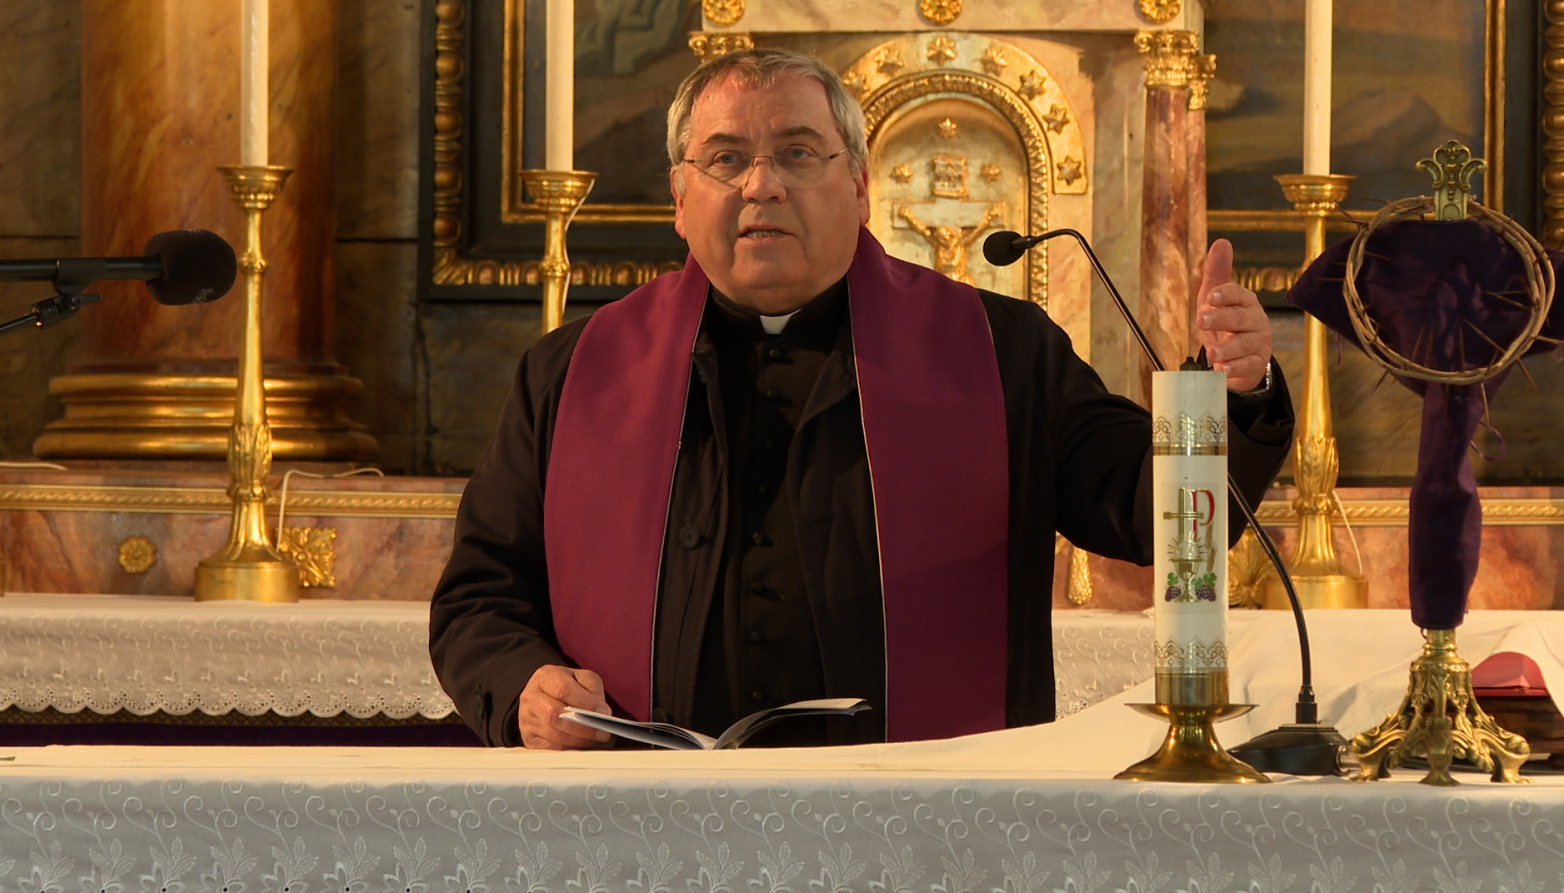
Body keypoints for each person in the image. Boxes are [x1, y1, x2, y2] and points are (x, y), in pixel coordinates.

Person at [430, 48, 1294, 750]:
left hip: (920, 822)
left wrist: (1235, 394)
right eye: (726, 158)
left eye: (798, 153)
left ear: (859, 185)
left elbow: (1150, 514)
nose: (761, 185)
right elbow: (480, 598)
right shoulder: (573, 372)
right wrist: (523, 687)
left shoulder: (1003, 353)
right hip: (646, 824)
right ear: (679, 199)